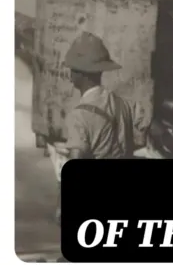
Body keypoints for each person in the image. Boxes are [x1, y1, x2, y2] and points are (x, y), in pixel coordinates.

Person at [54, 31, 137, 223]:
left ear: (80, 74)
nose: (70, 74)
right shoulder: (123, 105)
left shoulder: (79, 115)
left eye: (72, 69)